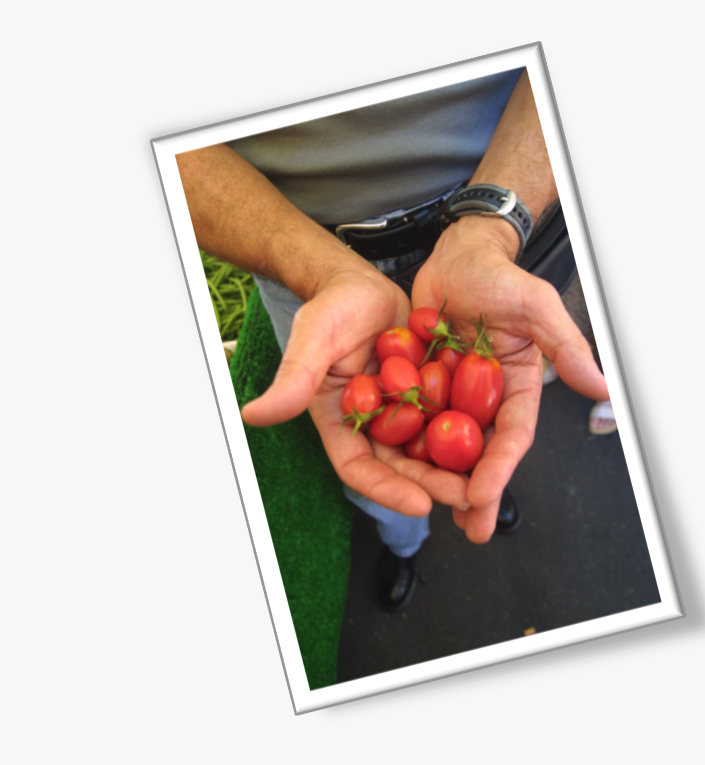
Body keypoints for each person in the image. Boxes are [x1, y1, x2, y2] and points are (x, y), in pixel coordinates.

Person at [177, 68, 608, 608]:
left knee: (488, 444)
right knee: (375, 469)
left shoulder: (435, 375)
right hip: (308, 255)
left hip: (495, 221)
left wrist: (489, 226)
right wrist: (319, 270)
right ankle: (403, 543)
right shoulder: (408, 384)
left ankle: (488, 490)